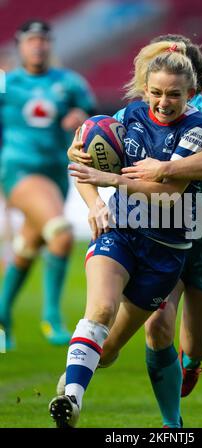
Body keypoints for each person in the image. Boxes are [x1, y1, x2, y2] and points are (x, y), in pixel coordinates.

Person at [63, 34, 202, 428]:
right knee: (155, 327)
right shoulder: (135, 113)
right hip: (155, 232)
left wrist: (162, 169)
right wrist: (83, 158)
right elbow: (86, 154)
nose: (164, 99)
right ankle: (170, 423)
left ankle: (192, 362)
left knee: (195, 344)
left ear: (192, 82)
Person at [0, 19, 97, 349]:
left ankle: (1, 316)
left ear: (49, 44)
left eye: (43, 40)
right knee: (60, 232)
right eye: (31, 40)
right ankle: (52, 317)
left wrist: (80, 117)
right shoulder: (5, 82)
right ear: (20, 44)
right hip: (19, 170)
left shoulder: (69, 82)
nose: (38, 45)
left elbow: (93, 116)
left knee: (28, 245)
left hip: (57, 172)